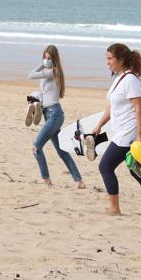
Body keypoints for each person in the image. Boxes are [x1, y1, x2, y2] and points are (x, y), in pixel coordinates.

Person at [91, 43, 141, 217]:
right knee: (136, 170)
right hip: (123, 130)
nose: (107, 62)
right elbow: (111, 107)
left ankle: (115, 209)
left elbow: (138, 109)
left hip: (130, 132)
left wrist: (139, 136)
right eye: (107, 58)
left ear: (121, 59)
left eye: (110, 59)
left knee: (105, 166)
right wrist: (99, 124)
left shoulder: (130, 79)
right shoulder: (120, 77)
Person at [28, 45, 85, 188]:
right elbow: (44, 93)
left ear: (54, 59)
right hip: (49, 114)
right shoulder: (47, 75)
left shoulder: (53, 71)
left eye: (49, 58)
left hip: (54, 114)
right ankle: (79, 182)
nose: (47, 60)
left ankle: (46, 180)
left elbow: (31, 75)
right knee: (61, 151)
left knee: (36, 147)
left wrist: (42, 65)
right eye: (45, 58)